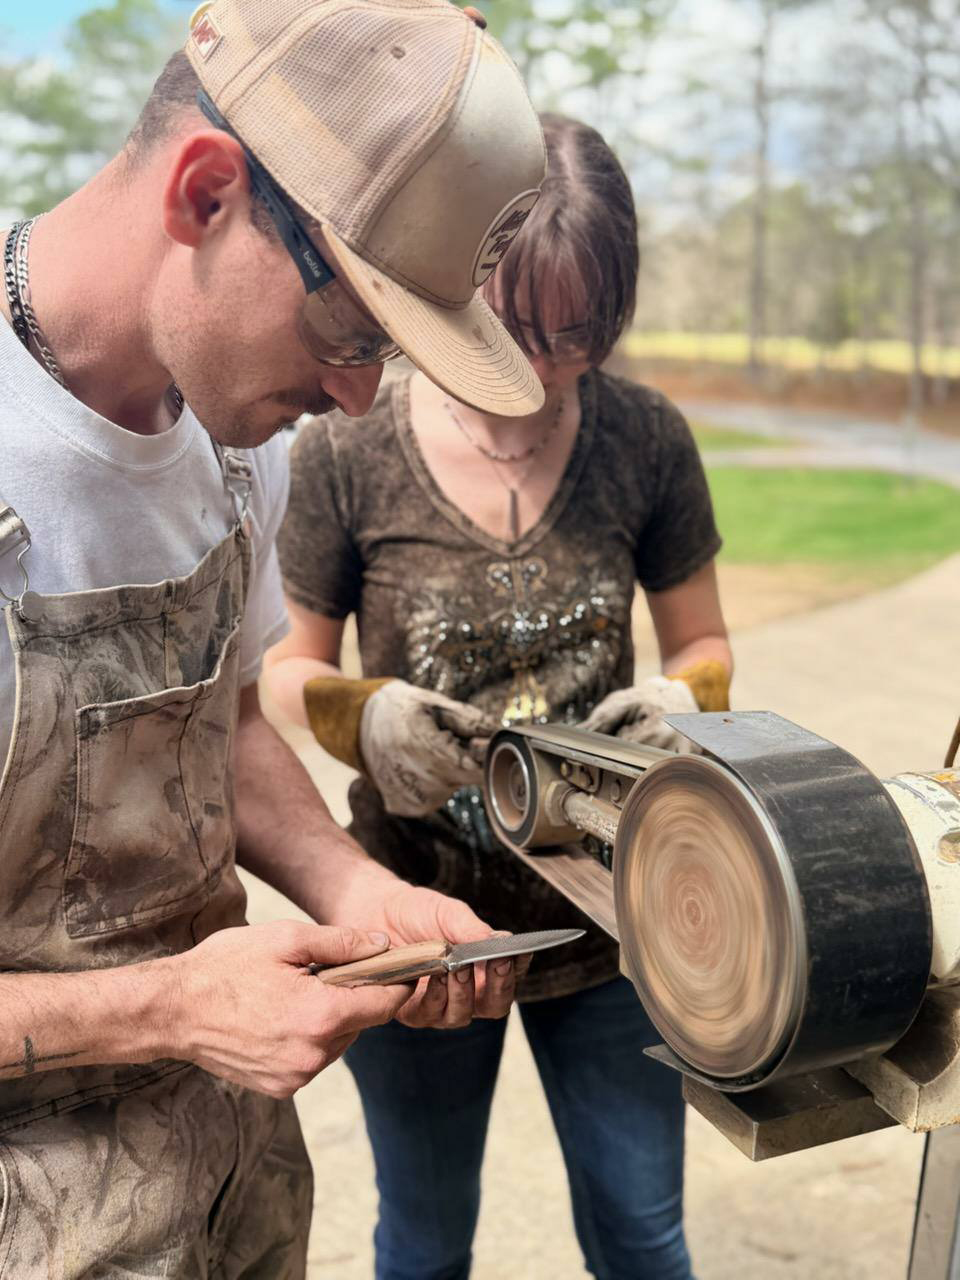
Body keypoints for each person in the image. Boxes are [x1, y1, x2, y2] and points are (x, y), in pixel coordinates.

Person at [0, 1, 550, 1273]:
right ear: (204, 194)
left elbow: (225, 728)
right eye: (352, 334)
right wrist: (172, 1005)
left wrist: (362, 896)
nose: (355, 395)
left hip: (232, 1183)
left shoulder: (244, 453)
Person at [267, 113, 733, 1280]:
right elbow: (283, 670)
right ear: (463, 287)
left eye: (581, 332)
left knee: (641, 1232)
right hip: (420, 929)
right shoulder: (349, 448)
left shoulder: (646, 438)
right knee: (423, 1246)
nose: (543, 359)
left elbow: (708, 640)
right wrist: (359, 714)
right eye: (518, 326)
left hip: (617, 919)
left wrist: (687, 697)